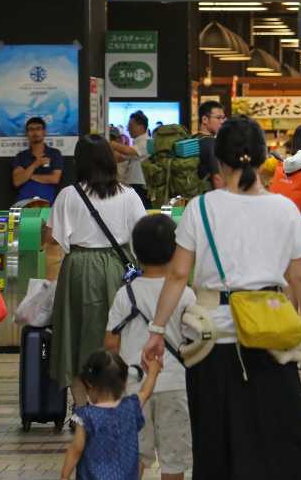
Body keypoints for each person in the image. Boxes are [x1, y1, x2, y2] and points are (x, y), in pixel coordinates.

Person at [143, 116, 301, 479]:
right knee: (282, 444)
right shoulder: (284, 209)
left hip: (213, 342)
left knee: (216, 446)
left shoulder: (200, 208)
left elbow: (177, 275)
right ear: (262, 157)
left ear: (219, 161)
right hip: (272, 338)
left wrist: (157, 330)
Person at [48, 135, 148, 410]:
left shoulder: (69, 195)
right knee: (119, 334)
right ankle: (116, 402)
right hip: (118, 268)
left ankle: (81, 408)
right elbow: (141, 236)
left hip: (78, 268)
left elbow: (53, 240)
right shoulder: (128, 195)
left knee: (76, 337)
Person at [104, 215, 195, 480]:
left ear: (136, 251)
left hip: (134, 388)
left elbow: (111, 342)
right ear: (176, 251)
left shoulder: (125, 294)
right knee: (173, 462)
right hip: (176, 385)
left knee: (133, 457)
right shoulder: (185, 293)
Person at [59, 350, 161, 480]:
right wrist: (153, 372)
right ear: (124, 382)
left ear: (89, 383)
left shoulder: (86, 415)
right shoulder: (131, 407)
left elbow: (76, 448)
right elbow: (145, 392)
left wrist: (64, 476)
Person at [11, 116, 64, 204]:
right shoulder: (20, 156)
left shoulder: (54, 153)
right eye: (31, 129)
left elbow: (55, 179)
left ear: (44, 132)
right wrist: (35, 164)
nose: (35, 132)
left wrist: (28, 176)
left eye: (38, 129)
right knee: (13, 215)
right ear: (27, 133)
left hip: (47, 203)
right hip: (22, 203)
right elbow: (17, 181)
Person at [111, 111, 151, 208]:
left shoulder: (147, 141)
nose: (128, 129)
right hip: (133, 183)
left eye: (131, 126)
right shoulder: (136, 142)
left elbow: (129, 151)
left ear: (141, 127)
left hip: (141, 184)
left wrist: (111, 143)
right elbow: (122, 157)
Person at [196, 100, 226, 191]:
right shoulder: (212, 143)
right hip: (208, 195)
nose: (222, 122)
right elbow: (217, 178)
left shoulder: (193, 139)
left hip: (194, 195)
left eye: (223, 118)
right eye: (218, 118)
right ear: (205, 119)